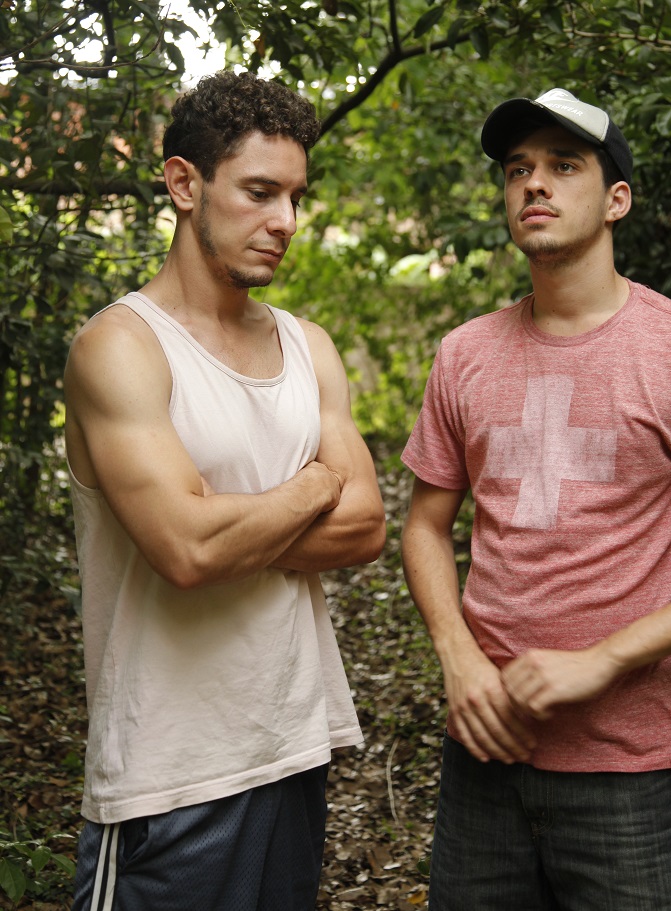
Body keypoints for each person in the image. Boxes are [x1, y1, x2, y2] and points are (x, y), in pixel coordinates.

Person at [400, 87, 671, 910]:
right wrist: (458, 659)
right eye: (517, 170)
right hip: (483, 758)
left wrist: (604, 658)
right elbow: (425, 526)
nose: (534, 184)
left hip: (630, 776)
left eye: (563, 166)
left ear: (616, 200)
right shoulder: (464, 354)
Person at [64, 70, 386, 911]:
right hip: (167, 778)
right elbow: (187, 549)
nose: (286, 221)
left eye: (296, 197)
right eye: (259, 192)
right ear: (184, 184)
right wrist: (316, 482)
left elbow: (364, 527)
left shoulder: (308, 347)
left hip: (293, 743)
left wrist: (227, 519)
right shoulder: (121, 347)